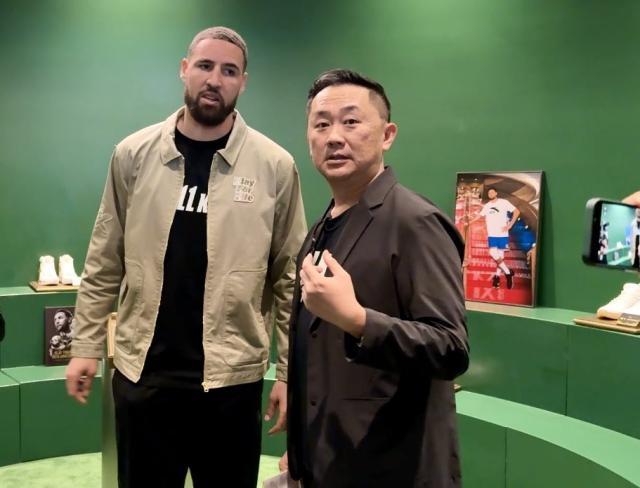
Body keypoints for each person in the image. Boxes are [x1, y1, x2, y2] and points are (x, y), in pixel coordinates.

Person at [65, 26, 306, 488]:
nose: (215, 79)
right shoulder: (133, 155)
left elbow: (290, 279)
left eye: (229, 71)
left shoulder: (275, 166)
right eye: (205, 66)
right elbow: (104, 260)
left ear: (243, 82)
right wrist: (85, 346)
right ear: (184, 69)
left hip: (232, 383)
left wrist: (289, 374)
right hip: (144, 377)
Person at [284, 69, 469, 487]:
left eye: (351, 121)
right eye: (321, 124)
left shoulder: (415, 222)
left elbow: (450, 348)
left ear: (387, 135)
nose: (334, 137)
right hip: (330, 460)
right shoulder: (322, 227)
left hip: (391, 467)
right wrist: (302, 446)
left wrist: (358, 320)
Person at [469, 187, 521, 289]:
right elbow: (479, 216)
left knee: (500, 256)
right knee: (493, 253)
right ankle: (508, 273)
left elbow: (517, 211)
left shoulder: (503, 202)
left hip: (502, 234)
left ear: (496, 193)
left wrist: (510, 225)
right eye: (489, 193)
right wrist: (469, 222)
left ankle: (497, 277)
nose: (491, 194)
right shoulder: (487, 206)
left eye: (492, 192)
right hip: (492, 234)